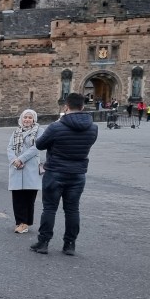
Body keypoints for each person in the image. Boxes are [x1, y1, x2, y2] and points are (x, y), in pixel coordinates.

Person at [30, 93, 99, 256]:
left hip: (55, 171)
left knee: (49, 208)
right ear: (83, 107)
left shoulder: (57, 126)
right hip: (78, 174)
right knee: (72, 209)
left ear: (66, 106)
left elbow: (39, 145)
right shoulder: (93, 128)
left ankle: (43, 243)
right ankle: (69, 244)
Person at [7, 109, 43, 234]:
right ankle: (19, 222)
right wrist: (14, 160)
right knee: (17, 197)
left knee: (29, 197)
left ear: (34, 119)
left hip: (31, 167)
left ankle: (25, 222)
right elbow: (10, 147)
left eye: (30, 117)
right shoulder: (16, 131)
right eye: (25, 117)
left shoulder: (39, 131)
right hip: (16, 167)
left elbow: (36, 147)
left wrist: (21, 159)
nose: (27, 120)